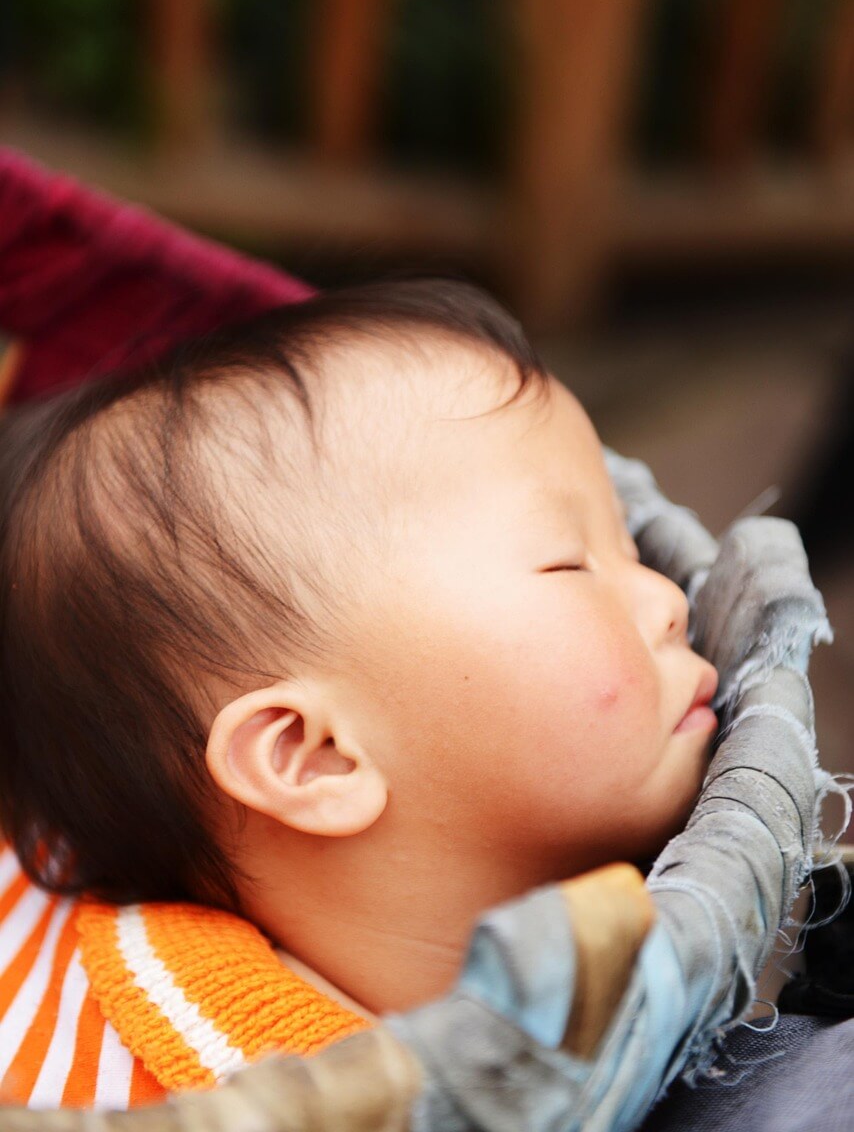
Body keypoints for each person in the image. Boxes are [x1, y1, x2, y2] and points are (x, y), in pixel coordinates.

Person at [0, 278, 719, 1108]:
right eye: (569, 563)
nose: (670, 601)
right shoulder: (186, 1093)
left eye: (630, 547)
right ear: (314, 756)